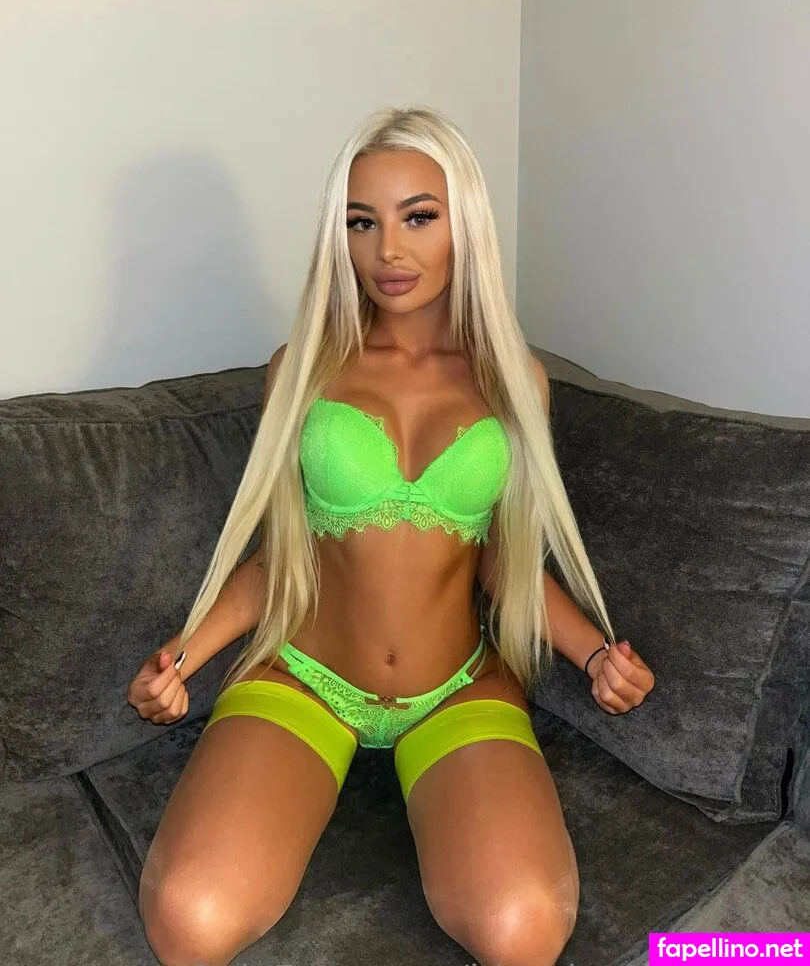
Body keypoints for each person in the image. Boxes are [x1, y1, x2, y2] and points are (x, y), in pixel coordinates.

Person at [127, 105, 655, 966]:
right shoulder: (300, 371)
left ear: (464, 222)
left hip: (457, 687)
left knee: (522, 927)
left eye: (418, 217)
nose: (388, 252)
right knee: (191, 918)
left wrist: (596, 654)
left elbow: (502, 558)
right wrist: (182, 658)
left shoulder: (515, 380)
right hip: (304, 678)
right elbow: (282, 554)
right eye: (361, 222)